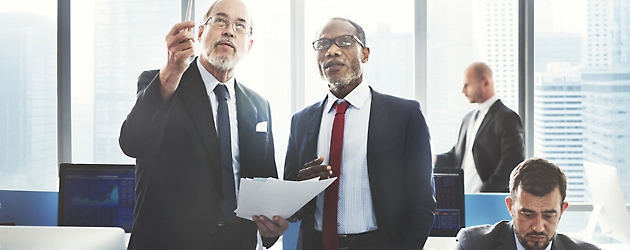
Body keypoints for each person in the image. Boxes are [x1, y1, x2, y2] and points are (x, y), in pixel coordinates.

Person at [118, 0, 288, 249]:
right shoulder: (163, 82)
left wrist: (271, 227)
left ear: (249, 45)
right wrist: (172, 71)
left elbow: (264, 182)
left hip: (236, 242)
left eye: (240, 26)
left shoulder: (259, 106)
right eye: (220, 20)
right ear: (199, 33)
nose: (229, 30)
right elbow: (134, 143)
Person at [283, 17, 436, 250]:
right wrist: (299, 188)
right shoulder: (300, 121)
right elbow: (291, 211)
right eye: (322, 44)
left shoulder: (405, 115)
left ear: (365, 54)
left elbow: (422, 204)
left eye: (344, 42)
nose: (332, 51)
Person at [455, 158, 601, 250]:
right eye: (528, 215)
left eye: (548, 216)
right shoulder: (473, 245)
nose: (538, 227)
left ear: (562, 210)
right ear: (510, 207)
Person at [434, 62, 524, 193]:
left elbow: (512, 162)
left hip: (489, 201)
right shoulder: (468, 118)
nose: (463, 91)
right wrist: (433, 158)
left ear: (486, 83)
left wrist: (486, 192)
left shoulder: (507, 118)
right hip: (463, 199)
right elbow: (457, 156)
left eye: (467, 85)